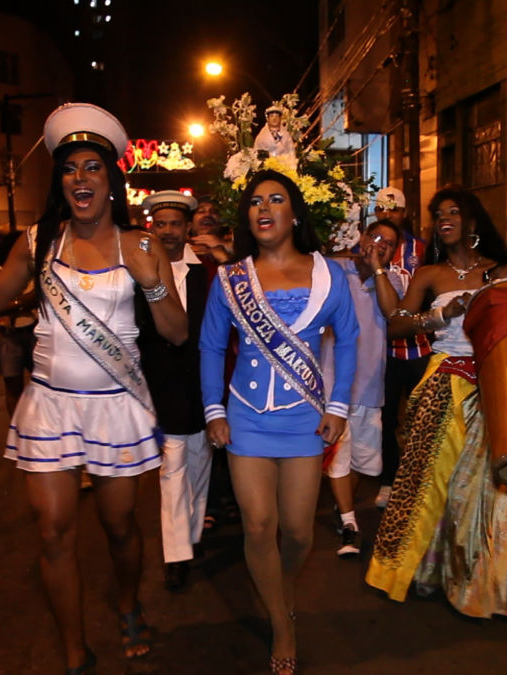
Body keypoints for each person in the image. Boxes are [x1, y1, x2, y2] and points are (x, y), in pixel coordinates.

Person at [0, 102, 188, 673]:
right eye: (70, 167)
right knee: (53, 532)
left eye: (92, 167)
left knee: (119, 525)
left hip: (116, 408)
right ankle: (74, 649)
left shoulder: (142, 247)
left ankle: (128, 603)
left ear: (111, 179)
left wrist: (154, 286)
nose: (80, 178)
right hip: (50, 406)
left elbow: (176, 333)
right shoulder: (39, 241)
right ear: (61, 181)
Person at [199, 170, 358, 675]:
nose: (263, 208)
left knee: (297, 532)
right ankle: (281, 624)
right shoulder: (231, 280)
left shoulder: (329, 275)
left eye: (275, 199)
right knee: (259, 523)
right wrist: (214, 409)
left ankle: (279, 586)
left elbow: (350, 340)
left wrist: (338, 408)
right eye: (254, 202)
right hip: (246, 415)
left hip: (303, 421)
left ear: (294, 214)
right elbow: (209, 346)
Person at [365, 185, 507, 620]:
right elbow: (397, 327)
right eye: (439, 213)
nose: (445, 219)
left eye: (454, 212)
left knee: (485, 490)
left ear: (473, 221)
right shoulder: (429, 275)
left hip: (493, 389)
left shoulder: (502, 272)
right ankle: (424, 571)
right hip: (442, 383)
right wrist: (440, 315)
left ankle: (482, 580)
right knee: (426, 486)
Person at [139, 190, 216, 592]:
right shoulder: (136, 271)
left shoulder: (207, 271)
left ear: (188, 228)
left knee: (200, 465)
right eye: (161, 223)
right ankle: (177, 554)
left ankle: (190, 535)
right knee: (172, 467)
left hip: (202, 385)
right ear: (152, 227)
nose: (168, 231)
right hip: (158, 386)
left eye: (175, 224)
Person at [322, 220, 404, 558]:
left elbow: (393, 313)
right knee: (338, 456)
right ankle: (349, 521)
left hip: (370, 386)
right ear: (363, 236)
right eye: (375, 236)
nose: (380, 244)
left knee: (359, 462)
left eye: (389, 242)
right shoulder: (336, 268)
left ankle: (345, 511)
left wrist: (378, 270)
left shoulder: (394, 278)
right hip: (332, 381)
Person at [371, 187, 432, 509]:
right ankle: (388, 480)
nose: (387, 214)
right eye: (381, 209)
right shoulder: (367, 247)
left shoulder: (421, 249)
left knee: (422, 417)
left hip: (419, 348)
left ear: (404, 212)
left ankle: (421, 479)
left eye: (393, 210)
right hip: (383, 353)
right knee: (385, 418)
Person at [0, 231, 38, 416]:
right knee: (12, 387)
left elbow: (35, 297)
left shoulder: (34, 268)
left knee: (44, 385)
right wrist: (20, 302)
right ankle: (16, 430)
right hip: (7, 334)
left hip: (34, 331)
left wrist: (12, 303)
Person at [188, 194, 234, 263]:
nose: (207, 215)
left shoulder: (235, 253)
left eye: (214, 212)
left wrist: (223, 254)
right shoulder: (179, 252)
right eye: (201, 211)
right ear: (190, 223)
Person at [253, 105, 297, 170]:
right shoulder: (261, 137)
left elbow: (291, 152)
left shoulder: (286, 135)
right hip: (267, 169)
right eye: (271, 116)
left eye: (276, 116)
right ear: (267, 119)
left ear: (280, 118)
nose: (274, 118)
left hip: (284, 168)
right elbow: (256, 155)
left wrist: (292, 167)